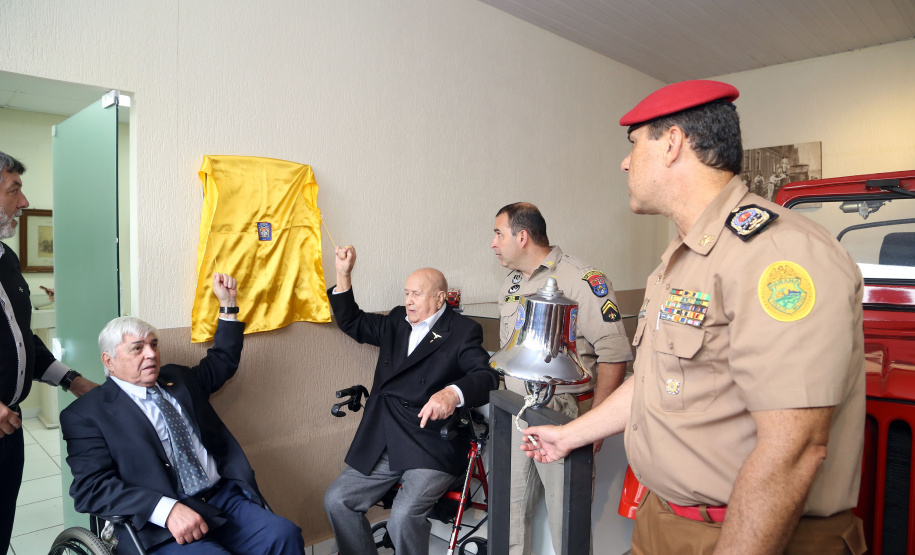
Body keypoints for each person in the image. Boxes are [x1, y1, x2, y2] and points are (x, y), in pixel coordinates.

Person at [521, 80, 866, 554]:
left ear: (672, 143)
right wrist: (568, 437)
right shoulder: (683, 259)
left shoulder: (778, 254)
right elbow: (655, 381)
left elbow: (794, 448)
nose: (625, 162)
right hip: (664, 520)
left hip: (746, 533)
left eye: (634, 143)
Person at [61, 273, 305, 554]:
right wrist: (166, 510)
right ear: (109, 361)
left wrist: (228, 304)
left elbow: (222, 361)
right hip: (157, 522)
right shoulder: (86, 415)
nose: (151, 354)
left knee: (284, 535)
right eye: (137, 349)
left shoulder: (177, 378)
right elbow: (91, 488)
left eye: (153, 345)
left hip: (221, 500)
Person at [324, 246, 499, 555]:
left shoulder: (461, 331)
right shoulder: (396, 321)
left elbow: (486, 377)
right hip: (386, 436)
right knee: (337, 500)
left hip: (430, 441)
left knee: (403, 516)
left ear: (440, 298)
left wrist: (451, 394)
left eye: (416, 294)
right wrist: (344, 273)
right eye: (407, 293)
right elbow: (352, 322)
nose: (408, 300)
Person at [490, 202, 632, 555]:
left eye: (498, 234)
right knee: (509, 513)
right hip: (516, 411)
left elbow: (614, 352)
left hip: (562, 411)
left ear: (522, 237)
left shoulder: (581, 280)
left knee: (566, 519)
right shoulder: (512, 281)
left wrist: (596, 423)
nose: (493, 244)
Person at [0, 150, 97, 551]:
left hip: (9, 427)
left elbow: (23, 340)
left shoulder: (7, 260)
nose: (23, 202)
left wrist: (72, 380)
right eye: (14, 190)